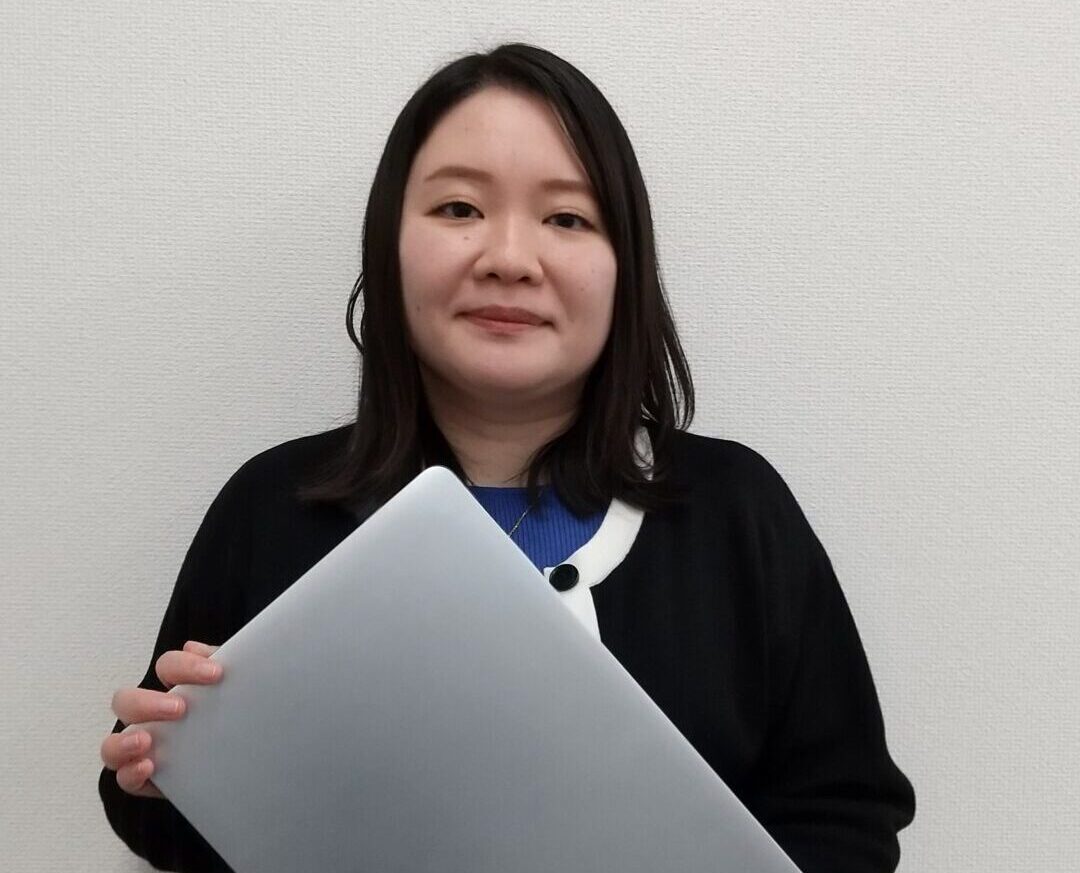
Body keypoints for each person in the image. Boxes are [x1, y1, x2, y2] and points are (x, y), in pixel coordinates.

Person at [98, 42, 915, 873]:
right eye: (459, 208)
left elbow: (847, 816)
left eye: (567, 218)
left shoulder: (737, 513)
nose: (510, 259)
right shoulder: (274, 506)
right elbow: (173, 821)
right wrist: (168, 771)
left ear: (626, 264)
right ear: (388, 243)